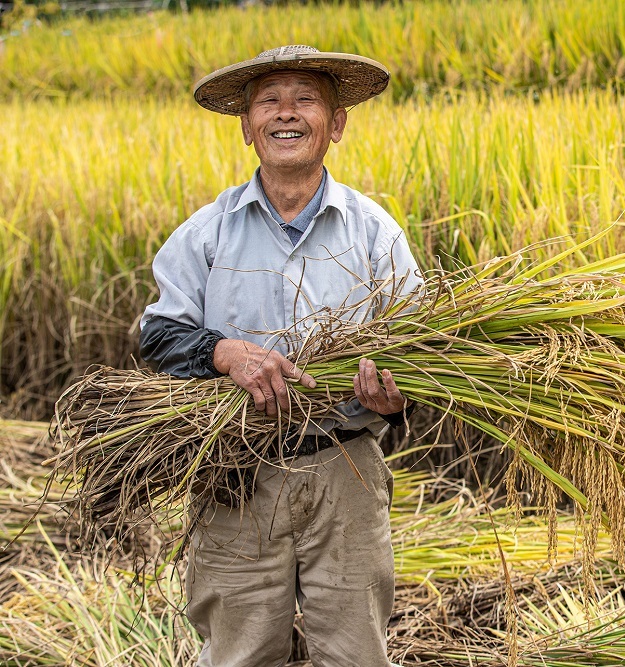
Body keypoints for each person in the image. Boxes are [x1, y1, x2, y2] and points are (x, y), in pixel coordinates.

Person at [138, 45, 421, 667]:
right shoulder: (206, 233)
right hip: (235, 471)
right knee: (240, 653)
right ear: (246, 125)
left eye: (305, 99)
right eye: (268, 100)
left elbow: (425, 354)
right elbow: (157, 335)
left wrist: (395, 399)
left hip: (345, 467)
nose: (285, 114)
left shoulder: (375, 232)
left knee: (356, 654)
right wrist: (223, 352)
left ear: (336, 124)